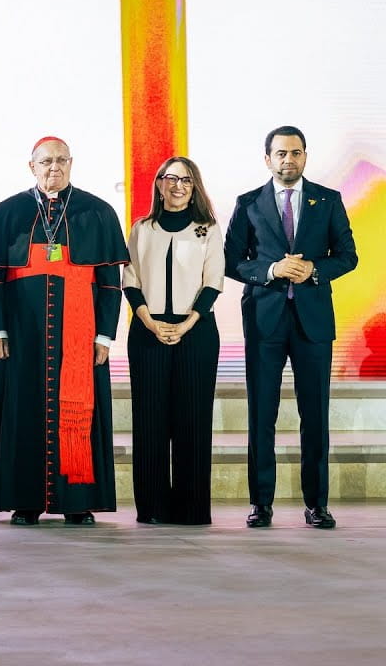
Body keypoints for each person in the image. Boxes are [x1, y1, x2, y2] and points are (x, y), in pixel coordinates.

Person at [0, 136, 128, 526]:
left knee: (80, 410)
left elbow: (110, 282)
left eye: (61, 160)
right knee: (22, 409)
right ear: (32, 166)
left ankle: (77, 502)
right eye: (46, 161)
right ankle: (24, 500)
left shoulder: (97, 211)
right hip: (22, 334)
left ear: (71, 163)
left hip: (80, 335)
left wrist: (105, 335)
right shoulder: (8, 211)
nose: (53, 168)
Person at [224, 126, 357, 529]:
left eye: (295, 153)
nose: (288, 160)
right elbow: (231, 262)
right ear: (267, 159)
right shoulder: (248, 203)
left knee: (314, 416)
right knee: (261, 415)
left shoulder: (328, 201)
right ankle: (261, 504)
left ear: (305, 156)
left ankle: (317, 504)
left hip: (313, 324)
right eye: (280, 153)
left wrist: (315, 270)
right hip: (265, 323)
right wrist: (270, 270)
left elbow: (348, 256)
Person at [123, 156, 223, 525]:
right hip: (148, 331)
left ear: (194, 187)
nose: (177, 185)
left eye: (186, 180)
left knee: (192, 421)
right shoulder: (142, 228)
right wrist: (149, 321)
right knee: (149, 421)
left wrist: (186, 325)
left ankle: (191, 509)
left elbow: (213, 282)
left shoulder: (208, 229)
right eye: (170, 178)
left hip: (196, 333)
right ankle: (152, 508)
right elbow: (130, 279)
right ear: (159, 185)